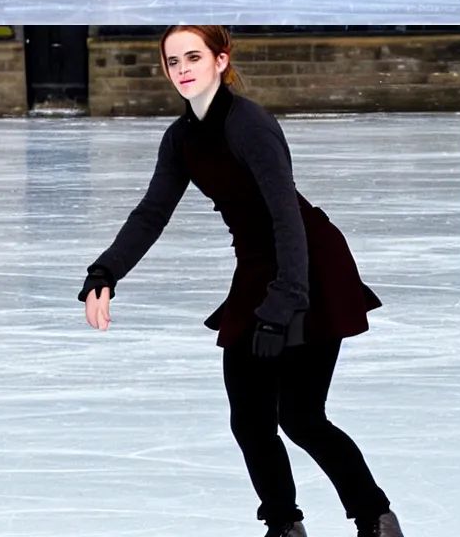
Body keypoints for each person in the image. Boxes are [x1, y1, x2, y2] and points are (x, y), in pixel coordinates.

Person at [78, 27, 402, 537]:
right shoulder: (181, 138)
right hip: (256, 269)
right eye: (172, 61)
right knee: (250, 419)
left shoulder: (249, 124)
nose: (182, 68)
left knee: (300, 415)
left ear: (220, 60)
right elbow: (152, 212)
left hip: (310, 265)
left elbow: (285, 217)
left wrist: (285, 304)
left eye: (193, 57)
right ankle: (284, 526)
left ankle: (376, 519)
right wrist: (106, 271)